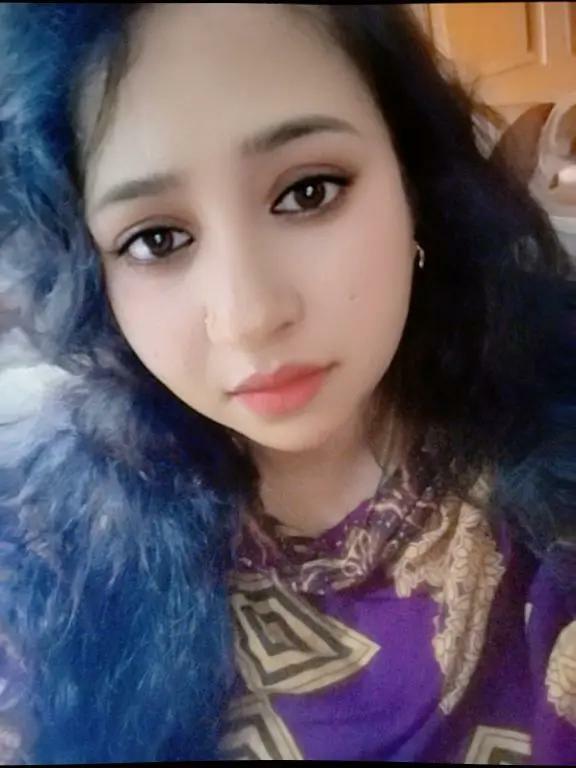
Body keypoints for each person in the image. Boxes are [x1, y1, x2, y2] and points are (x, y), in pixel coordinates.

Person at [0, 3, 575, 764]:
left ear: (414, 182)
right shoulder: (47, 556)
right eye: (156, 239)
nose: (249, 316)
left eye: (309, 192)